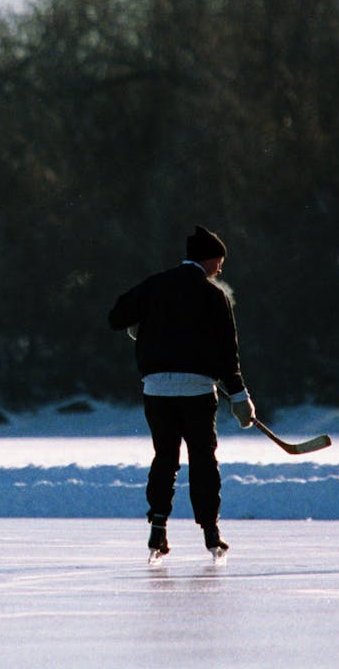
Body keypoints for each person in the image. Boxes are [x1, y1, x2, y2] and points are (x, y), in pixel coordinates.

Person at [107, 225, 255, 560]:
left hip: (156, 389)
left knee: (165, 458)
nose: (220, 269)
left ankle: (157, 530)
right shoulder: (215, 296)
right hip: (197, 392)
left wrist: (138, 324)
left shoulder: (155, 284)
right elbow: (227, 355)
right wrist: (240, 396)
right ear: (209, 258)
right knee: (203, 459)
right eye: (219, 261)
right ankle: (211, 533)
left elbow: (116, 317)